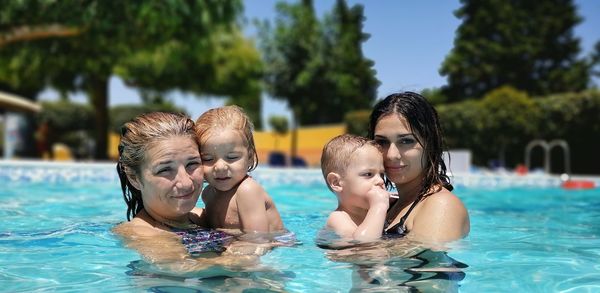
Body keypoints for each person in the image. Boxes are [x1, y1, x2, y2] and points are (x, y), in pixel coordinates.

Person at [112, 112, 259, 273]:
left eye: (193, 163)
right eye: (165, 169)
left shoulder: (201, 217)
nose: (186, 182)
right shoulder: (143, 233)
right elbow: (184, 269)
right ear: (134, 177)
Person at [368, 91, 470, 243]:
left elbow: (427, 263)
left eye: (406, 141)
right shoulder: (390, 205)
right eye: (382, 142)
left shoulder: (441, 205)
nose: (391, 155)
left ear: (430, 144)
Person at [195, 105, 284, 234]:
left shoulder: (247, 191)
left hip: (275, 246)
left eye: (232, 157)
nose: (220, 167)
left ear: (250, 157)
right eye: (208, 159)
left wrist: (229, 254)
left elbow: (257, 239)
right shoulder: (208, 193)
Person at [320, 134, 391, 242]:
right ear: (337, 183)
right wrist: (379, 206)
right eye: (368, 174)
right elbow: (364, 245)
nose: (380, 181)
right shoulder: (338, 219)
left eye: (381, 174)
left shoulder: (371, 212)